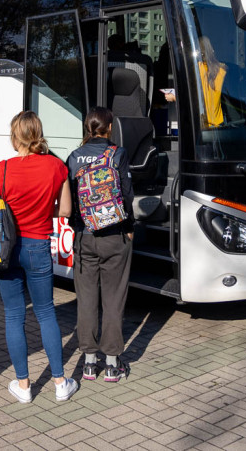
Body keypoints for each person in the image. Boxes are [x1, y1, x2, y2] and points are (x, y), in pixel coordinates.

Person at [0, 110, 77, 405]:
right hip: (38, 246)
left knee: (14, 315)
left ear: (14, 136)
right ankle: (60, 383)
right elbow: (67, 211)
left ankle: (23, 385)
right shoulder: (57, 167)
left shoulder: (3, 169)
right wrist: (43, 210)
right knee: (46, 312)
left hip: (7, 249)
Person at [66, 107, 134, 383]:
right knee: (113, 299)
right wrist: (129, 229)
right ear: (109, 127)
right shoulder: (117, 153)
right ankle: (112, 363)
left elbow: (69, 197)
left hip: (85, 237)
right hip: (114, 235)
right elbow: (127, 195)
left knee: (87, 300)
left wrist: (76, 227)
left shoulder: (73, 157)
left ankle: (89, 363)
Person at [198, 36, 227, 127]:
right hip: (218, 124)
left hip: (203, 124)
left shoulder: (197, 68)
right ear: (212, 50)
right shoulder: (222, 70)